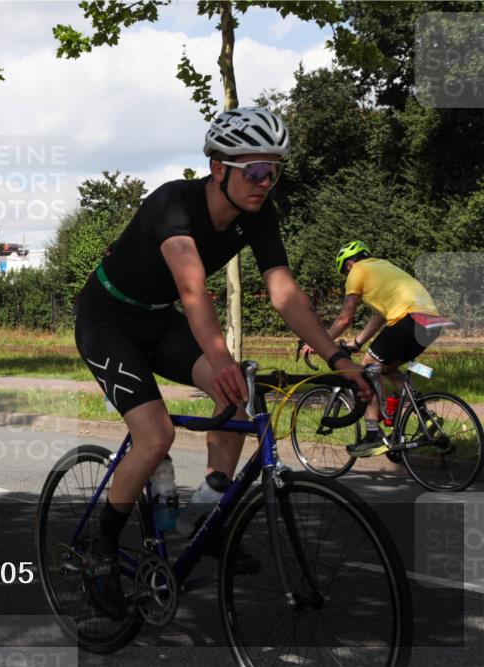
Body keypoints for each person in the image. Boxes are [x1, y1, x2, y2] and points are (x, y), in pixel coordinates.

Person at [73, 107, 372, 621]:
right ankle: (101, 545)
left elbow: (285, 294)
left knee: (239, 395)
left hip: (157, 321)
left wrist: (340, 359)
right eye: (254, 171)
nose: (265, 182)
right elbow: (193, 289)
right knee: (155, 437)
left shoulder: (259, 215)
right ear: (219, 169)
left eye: (273, 171)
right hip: (106, 320)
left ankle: (203, 514)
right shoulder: (173, 203)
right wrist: (219, 356)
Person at [301, 241, 451, 457]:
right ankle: (427, 418)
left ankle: (372, 436)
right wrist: (358, 342)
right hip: (431, 323)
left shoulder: (357, 271)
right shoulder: (383, 267)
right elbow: (380, 316)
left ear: (349, 264)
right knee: (387, 368)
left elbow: (345, 318)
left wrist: (319, 341)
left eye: (345, 271)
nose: (347, 277)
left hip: (407, 320)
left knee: (366, 369)